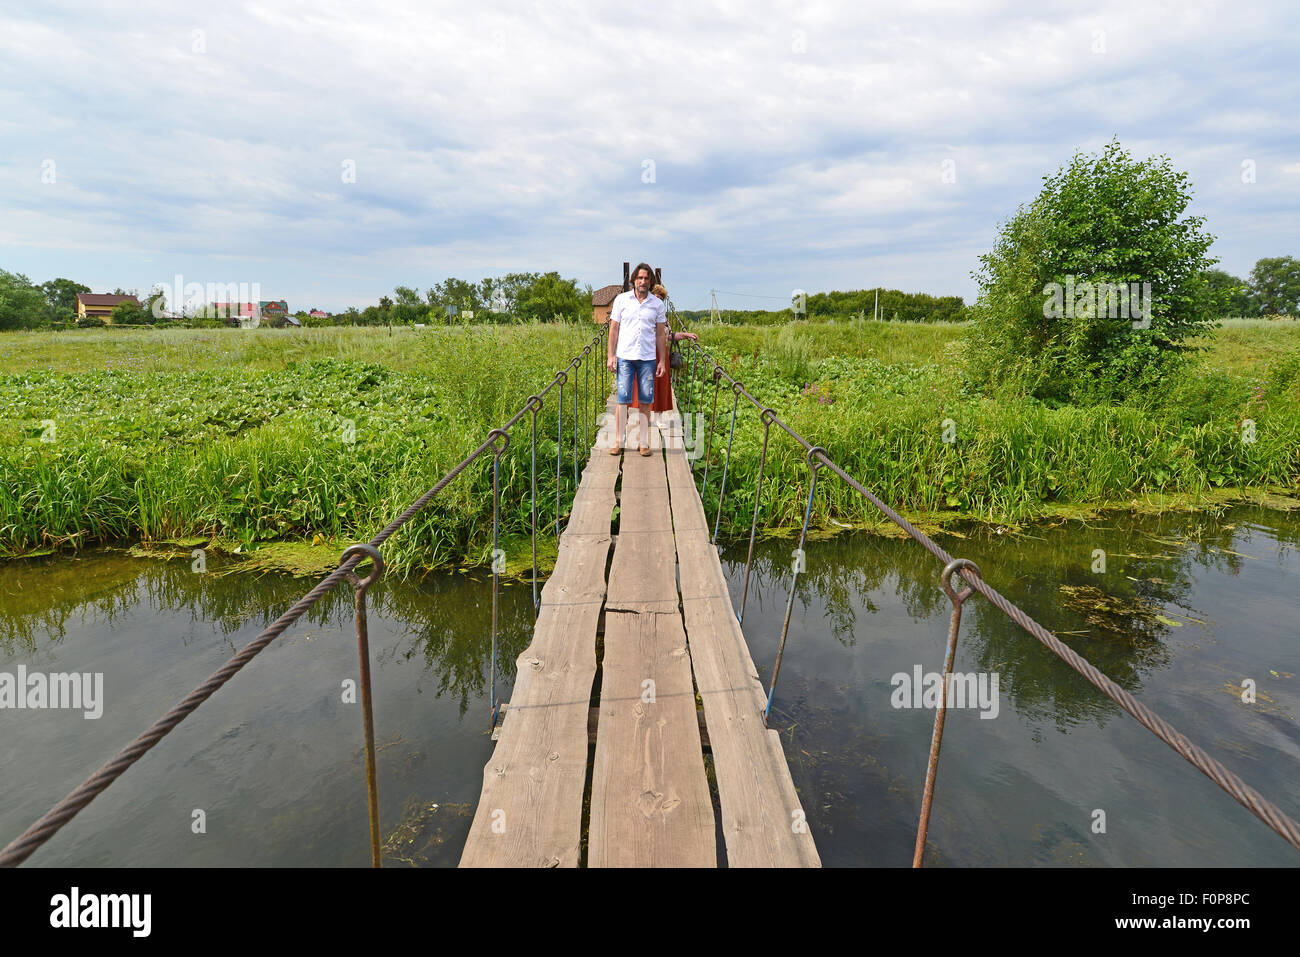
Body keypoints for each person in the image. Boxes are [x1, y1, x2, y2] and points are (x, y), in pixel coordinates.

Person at [606, 263, 665, 456]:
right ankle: (618, 441)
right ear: (633, 280)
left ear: (651, 281)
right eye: (640, 278)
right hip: (625, 357)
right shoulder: (622, 300)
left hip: (647, 359)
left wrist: (662, 361)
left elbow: (660, 335)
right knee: (622, 401)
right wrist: (610, 355)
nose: (643, 281)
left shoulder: (657, 304)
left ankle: (643, 443)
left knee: (645, 402)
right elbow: (614, 328)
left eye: (646, 278)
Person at [629, 283, 697, 424]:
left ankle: (659, 419)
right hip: (646, 352)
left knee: (661, 385)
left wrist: (686, 335)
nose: (658, 300)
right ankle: (643, 418)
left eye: (661, 298)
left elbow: (669, 336)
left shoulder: (663, 317)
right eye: (656, 297)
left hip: (662, 354)